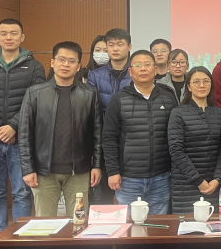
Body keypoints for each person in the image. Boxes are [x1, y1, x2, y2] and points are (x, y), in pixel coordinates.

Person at [0, 18, 46, 238]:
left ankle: (19, 242)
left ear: (22, 37)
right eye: (4, 33)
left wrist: (13, 126)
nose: (9, 37)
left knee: (22, 193)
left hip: (21, 140)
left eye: (14, 33)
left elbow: (35, 101)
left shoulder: (34, 67)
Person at [19, 42, 102, 217]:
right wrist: (28, 169)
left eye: (72, 61)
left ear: (78, 66)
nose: (66, 64)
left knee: (79, 221)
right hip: (44, 172)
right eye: (61, 59)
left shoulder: (89, 94)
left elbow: (97, 133)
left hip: (79, 171)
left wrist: (96, 165)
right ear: (52, 62)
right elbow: (25, 134)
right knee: (45, 224)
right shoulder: (34, 93)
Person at [102, 50, 178, 214]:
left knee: (158, 225)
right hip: (129, 179)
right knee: (131, 225)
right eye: (137, 65)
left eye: (147, 64)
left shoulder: (168, 98)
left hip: (162, 177)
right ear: (130, 71)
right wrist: (112, 171)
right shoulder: (119, 99)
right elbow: (109, 138)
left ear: (155, 69)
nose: (143, 68)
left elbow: (175, 136)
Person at [167, 66, 221, 214]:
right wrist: (198, 180)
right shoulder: (178, 113)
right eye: (196, 81)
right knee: (188, 225)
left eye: (206, 81)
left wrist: (217, 179)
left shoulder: (219, 113)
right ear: (189, 86)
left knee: (214, 225)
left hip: (214, 186)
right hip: (186, 185)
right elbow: (176, 150)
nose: (202, 85)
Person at [87, 28, 133, 205]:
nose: (115, 48)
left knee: (130, 194)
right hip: (105, 139)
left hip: (131, 141)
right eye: (111, 45)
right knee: (104, 195)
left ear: (129, 46)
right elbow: (93, 111)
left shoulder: (135, 73)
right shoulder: (95, 75)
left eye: (120, 44)